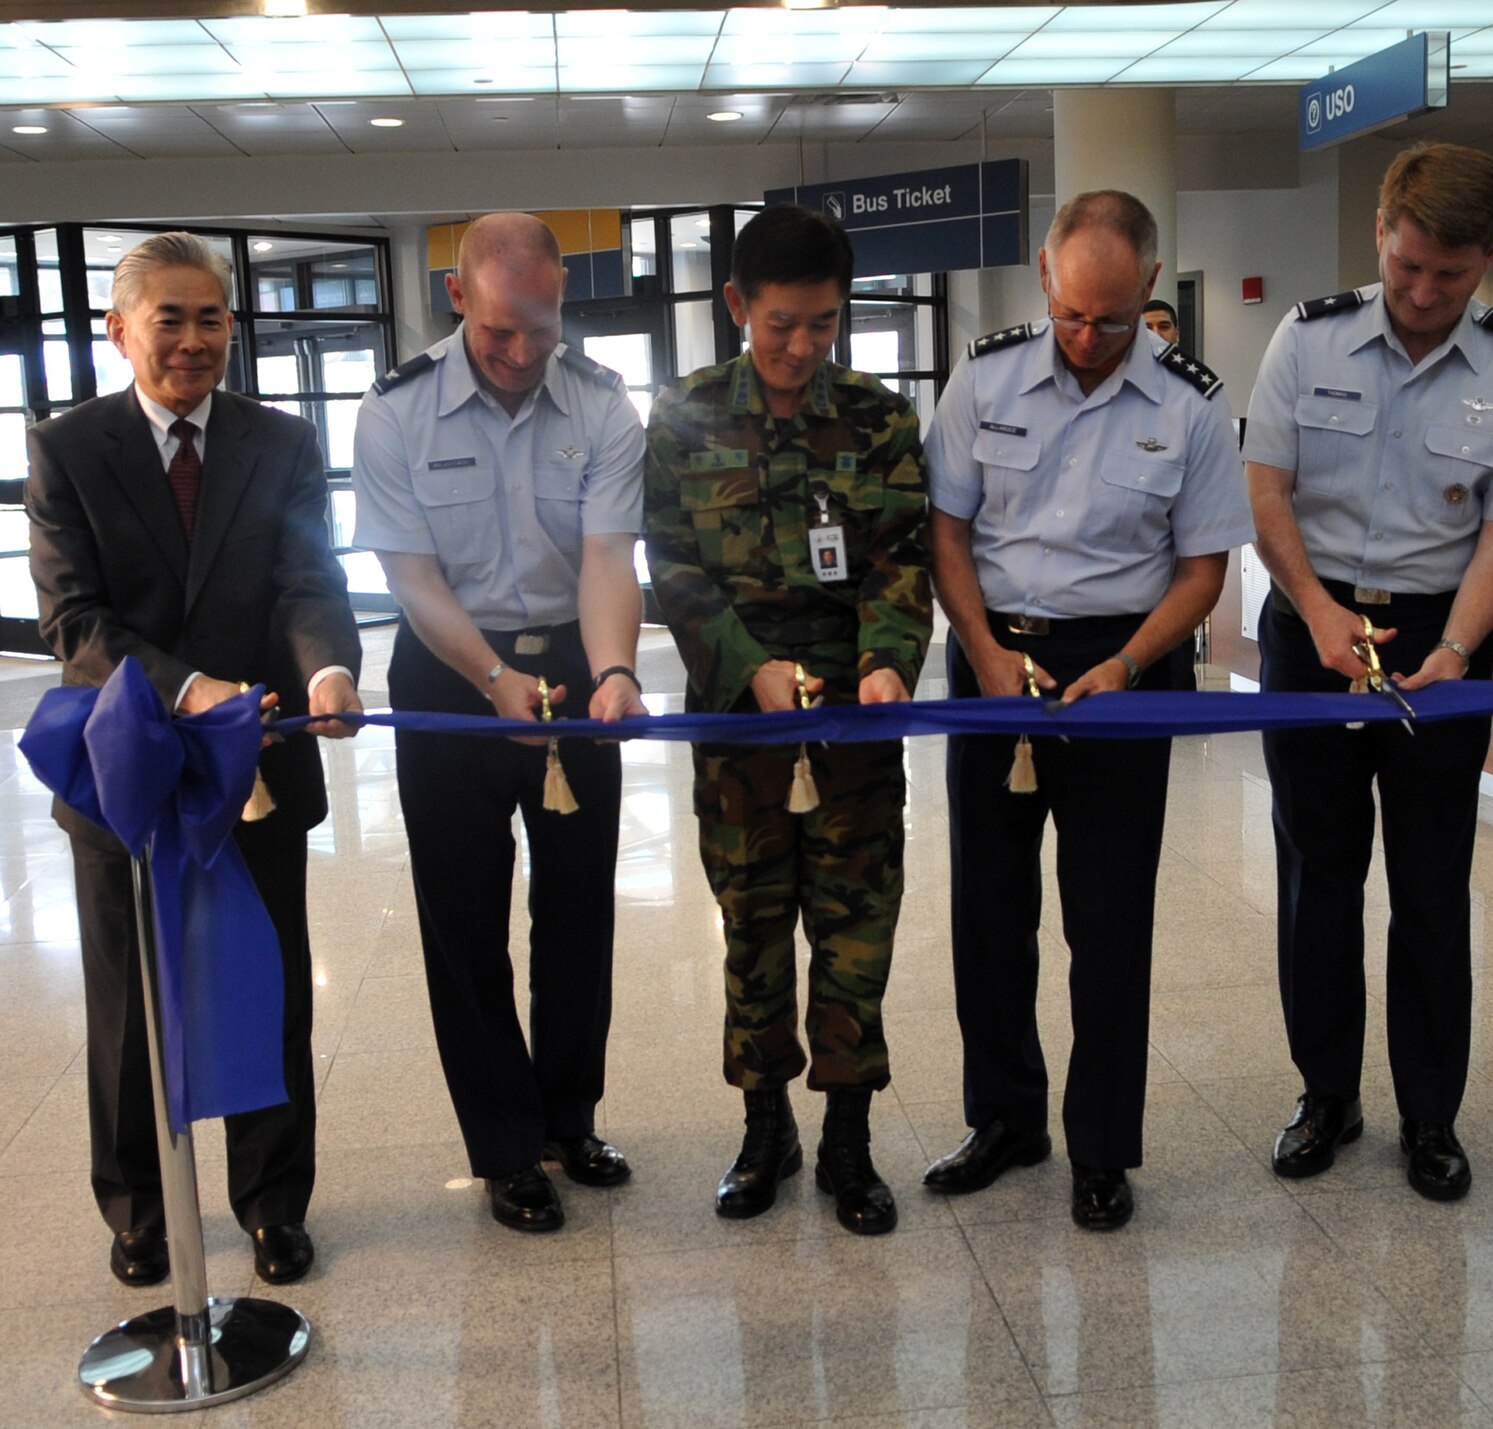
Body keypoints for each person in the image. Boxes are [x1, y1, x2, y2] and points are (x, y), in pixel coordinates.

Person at [26, 231, 364, 1287]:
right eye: (166, 318)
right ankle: (136, 1209)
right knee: (130, 1002)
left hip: (259, 766)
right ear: (120, 330)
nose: (191, 339)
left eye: (209, 316)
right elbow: (73, 621)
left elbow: (308, 581)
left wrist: (326, 672)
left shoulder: (280, 442)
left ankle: (271, 1204)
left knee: (268, 987)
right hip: (123, 774)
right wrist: (187, 687)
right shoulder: (71, 448)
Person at [920, 190, 1253, 1230]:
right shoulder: (981, 376)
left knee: (1107, 926)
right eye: (1070, 312)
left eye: (1111, 320)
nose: (1087, 338)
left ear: (1149, 289)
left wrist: (1126, 661)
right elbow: (943, 533)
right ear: (1042, 273)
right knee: (988, 914)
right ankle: (1004, 1120)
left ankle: (1101, 1147)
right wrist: (980, 652)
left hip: (1122, 670)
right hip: (991, 658)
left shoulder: (1189, 405)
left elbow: (1203, 569)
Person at [1242, 142, 1493, 1202]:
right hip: (1311, 624)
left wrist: (1454, 649)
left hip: (1440, 636)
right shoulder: (1307, 335)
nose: (1424, 295)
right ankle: (1324, 1096)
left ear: (1490, 257)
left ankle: (1430, 1114)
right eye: (1407, 266)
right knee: (1316, 875)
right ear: (1379, 233)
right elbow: (1267, 492)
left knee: (1430, 884)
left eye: (1451, 275)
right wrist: (1320, 612)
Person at [352, 212, 645, 1234]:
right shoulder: (395, 410)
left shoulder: (603, 402)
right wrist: (487, 677)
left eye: (541, 329)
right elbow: (410, 577)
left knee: (577, 913)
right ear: (455, 299)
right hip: (446, 674)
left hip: (570, 659)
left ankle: (569, 1118)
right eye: (497, 334)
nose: (521, 356)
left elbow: (609, 556)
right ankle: (505, 1147)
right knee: (464, 922)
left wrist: (611, 667)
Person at [644, 205, 931, 1237]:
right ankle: (763, 1127)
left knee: (855, 931)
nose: (802, 347)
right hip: (738, 727)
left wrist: (887, 664)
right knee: (753, 928)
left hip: (856, 725)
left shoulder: (877, 418)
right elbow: (669, 567)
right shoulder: (681, 417)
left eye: (822, 324)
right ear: (735, 307)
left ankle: (848, 1138)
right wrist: (749, 666)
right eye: (780, 326)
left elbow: (903, 554)